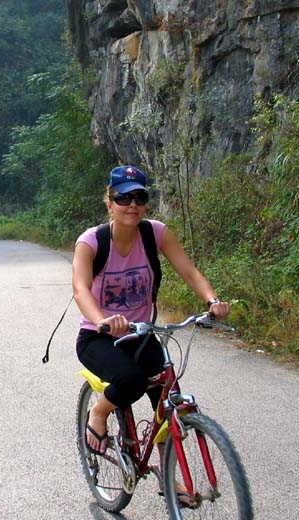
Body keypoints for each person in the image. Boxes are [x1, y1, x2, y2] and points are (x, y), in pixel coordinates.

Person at [72, 165, 229, 502]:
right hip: (98, 337)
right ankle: (99, 412)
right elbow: (80, 289)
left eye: (140, 197)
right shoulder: (91, 241)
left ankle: (171, 479)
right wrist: (102, 320)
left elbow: (189, 271)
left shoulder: (155, 234)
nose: (132, 204)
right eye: (123, 197)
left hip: (141, 335)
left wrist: (212, 301)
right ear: (109, 202)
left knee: (167, 397)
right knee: (130, 380)